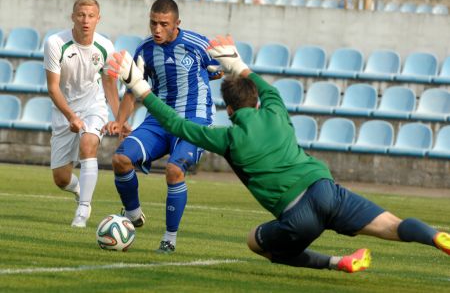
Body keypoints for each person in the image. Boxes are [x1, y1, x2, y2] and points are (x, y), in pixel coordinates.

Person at [107, 35, 450, 272]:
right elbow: (261, 82)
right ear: (256, 99)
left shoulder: (228, 137)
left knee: (257, 242)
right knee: (393, 224)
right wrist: (238, 64)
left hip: (296, 214)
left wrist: (141, 89)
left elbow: (176, 124)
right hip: (325, 189)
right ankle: (436, 236)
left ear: (229, 109)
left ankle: (336, 262)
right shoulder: (274, 107)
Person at [103, 0, 222, 253]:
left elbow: (218, 70)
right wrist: (120, 122)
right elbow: (133, 90)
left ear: (176, 23)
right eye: (153, 23)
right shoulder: (145, 50)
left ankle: (169, 239)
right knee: (120, 160)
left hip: (194, 120)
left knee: (173, 170)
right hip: (158, 121)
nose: (157, 29)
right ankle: (134, 214)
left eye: (163, 24)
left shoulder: (196, 44)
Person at [44, 0, 120, 228]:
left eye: (91, 16)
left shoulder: (106, 46)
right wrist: (70, 116)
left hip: (92, 106)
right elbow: (52, 87)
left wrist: (119, 119)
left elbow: (109, 84)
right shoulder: (55, 43)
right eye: (81, 15)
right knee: (61, 178)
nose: (85, 21)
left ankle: (83, 210)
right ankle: (79, 189)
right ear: (73, 17)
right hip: (64, 111)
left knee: (89, 144)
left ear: (98, 19)